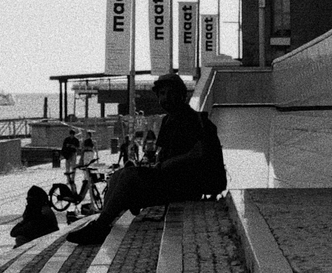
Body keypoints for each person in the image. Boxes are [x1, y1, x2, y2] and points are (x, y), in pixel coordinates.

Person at [67, 74, 226, 247]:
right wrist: (154, 166)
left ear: (182, 95)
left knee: (128, 176)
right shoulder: (168, 121)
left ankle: (99, 226)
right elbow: (165, 155)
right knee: (117, 175)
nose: (164, 98)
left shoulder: (194, 121)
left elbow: (196, 155)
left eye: (169, 93)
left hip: (186, 185)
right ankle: (104, 223)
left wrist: (162, 166)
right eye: (161, 94)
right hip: (170, 180)